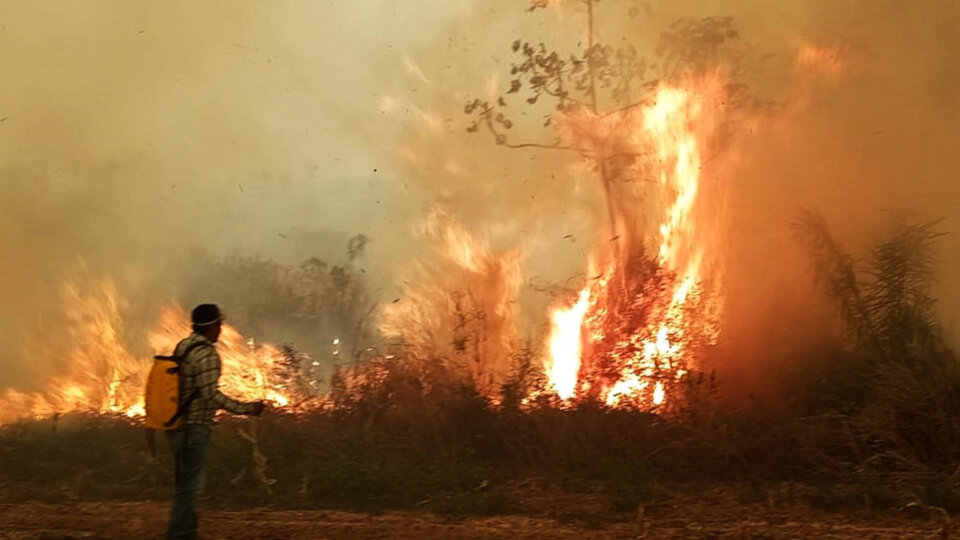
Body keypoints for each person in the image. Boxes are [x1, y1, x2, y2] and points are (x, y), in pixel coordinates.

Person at [166, 303, 265, 540]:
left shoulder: (183, 346)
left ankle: (185, 533)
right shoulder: (207, 354)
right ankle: (178, 535)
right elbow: (210, 395)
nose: (220, 329)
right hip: (194, 428)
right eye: (219, 324)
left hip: (175, 426)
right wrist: (247, 409)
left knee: (184, 486)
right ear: (211, 326)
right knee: (190, 489)